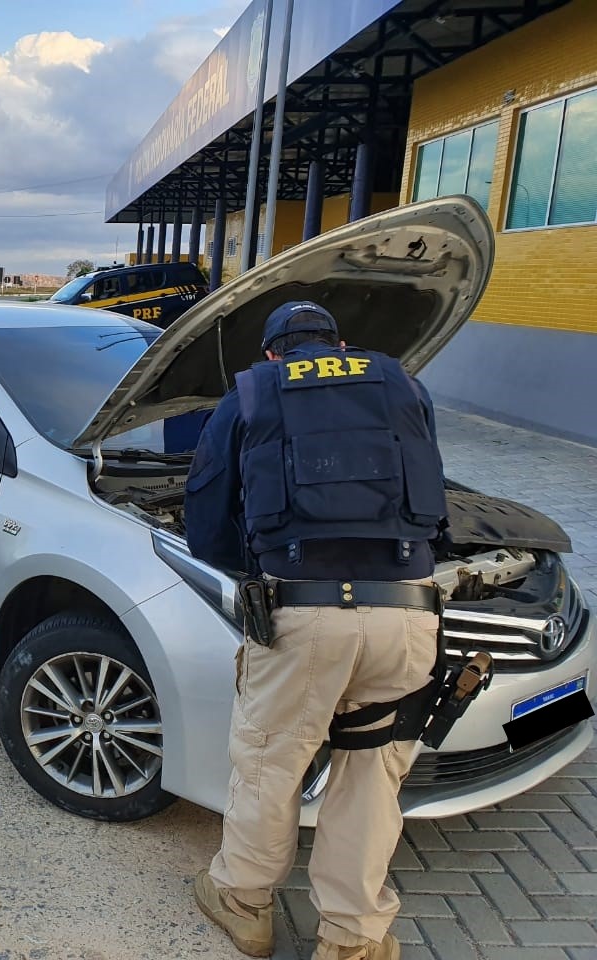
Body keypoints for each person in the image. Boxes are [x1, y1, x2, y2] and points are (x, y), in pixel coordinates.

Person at [184, 301, 447, 960]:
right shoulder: (402, 385)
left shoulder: (252, 393)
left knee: (270, 763)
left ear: (273, 353)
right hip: (406, 614)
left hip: (303, 614)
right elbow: (431, 497)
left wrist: (254, 568)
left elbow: (207, 523)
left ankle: (244, 903)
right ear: (341, 345)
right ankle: (352, 939)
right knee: (371, 777)